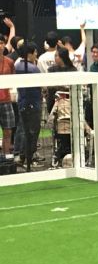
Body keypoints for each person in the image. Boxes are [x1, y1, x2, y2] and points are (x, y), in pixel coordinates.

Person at [14, 43, 43, 171]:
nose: (36, 55)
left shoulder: (16, 65)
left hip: (22, 101)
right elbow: (40, 85)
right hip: (33, 102)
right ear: (29, 54)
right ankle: (27, 158)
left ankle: (20, 157)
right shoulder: (32, 68)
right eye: (35, 52)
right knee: (32, 132)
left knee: (22, 129)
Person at [0, 35, 16, 155]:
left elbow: (13, 80)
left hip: (6, 101)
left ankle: (6, 158)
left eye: (1, 43)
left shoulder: (9, 62)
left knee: (8, 131)